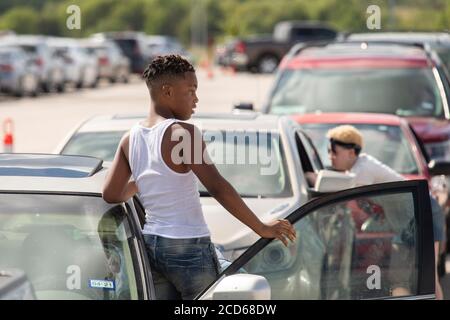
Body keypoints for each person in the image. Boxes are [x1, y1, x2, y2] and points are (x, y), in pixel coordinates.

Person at [102, 54, 296, 300]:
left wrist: (145, 181)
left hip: (151, 245)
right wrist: (260, 227)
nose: (196, 99)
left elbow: (110, 194)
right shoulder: (183, 133)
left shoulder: (130, 138)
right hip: (187, 246)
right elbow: (217, 187)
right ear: (167, 91)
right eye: (191, 91)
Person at [306, 125, 445, 299]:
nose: (330, 157)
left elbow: (340, 186)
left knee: (428, 276)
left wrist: (313, 177)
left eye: (334, 152)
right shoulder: (356, 169)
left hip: (425, 213)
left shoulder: (364, 169)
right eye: (328, 152)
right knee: (398, 279)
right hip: (405, 223)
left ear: (351, 153)